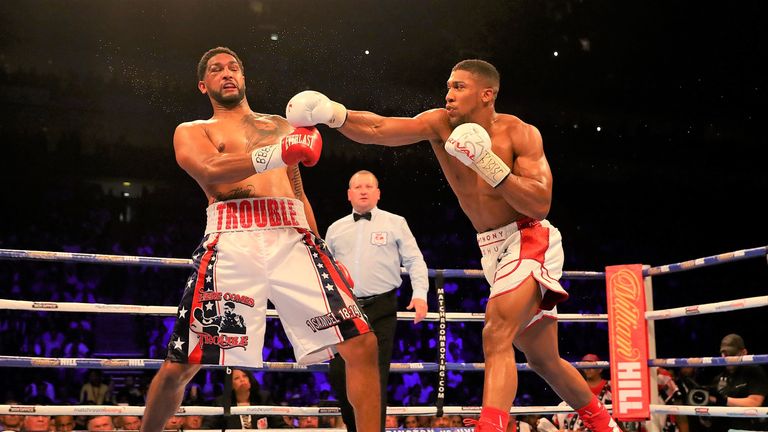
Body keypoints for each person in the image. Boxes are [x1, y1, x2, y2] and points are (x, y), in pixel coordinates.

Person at [286, 59, 620, 432]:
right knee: (543, 359)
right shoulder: (440, 124)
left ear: (486, 94)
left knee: (495, 333)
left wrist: (488, 164)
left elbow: (539, 203)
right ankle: (607, 426)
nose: (448, 95)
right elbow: (381, 128)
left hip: (529, 236)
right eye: (448, 86)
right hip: (492, 248)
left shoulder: (519, 133)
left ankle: (490, 427)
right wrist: (335, 114)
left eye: (459, 87)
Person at [139, 46, 381, 432]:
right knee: (183, 364)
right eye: (216, 70)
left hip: (293, 235)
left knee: (361, 343)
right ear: (204, 85)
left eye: (233, 66)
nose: (227, 72)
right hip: (232, 239)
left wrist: (325, 252)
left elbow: (298, 194)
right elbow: (210, 168)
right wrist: (277, 153)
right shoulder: (194, 130)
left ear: (244, 76)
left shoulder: (281, 126)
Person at [325, 170, 430, 431]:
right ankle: (355, 428)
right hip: (345, 309)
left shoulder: (396, 222)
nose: (363, 190)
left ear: (378, 192)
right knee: (339, 374)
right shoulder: (335, 229)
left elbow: (415, 260)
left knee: (375, 376)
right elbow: (324, 270)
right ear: (349, 194)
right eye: (358, 187)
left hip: (382, 307)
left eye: (369, 186)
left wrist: (420, 295)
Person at [706, 333, 767, 432]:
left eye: (732, 354)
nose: (728, 358)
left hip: (750, 428)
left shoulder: (754, 370)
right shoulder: (719, 378)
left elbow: (755, 402)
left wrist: (724, 400)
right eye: (725, 355)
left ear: (744, 352)